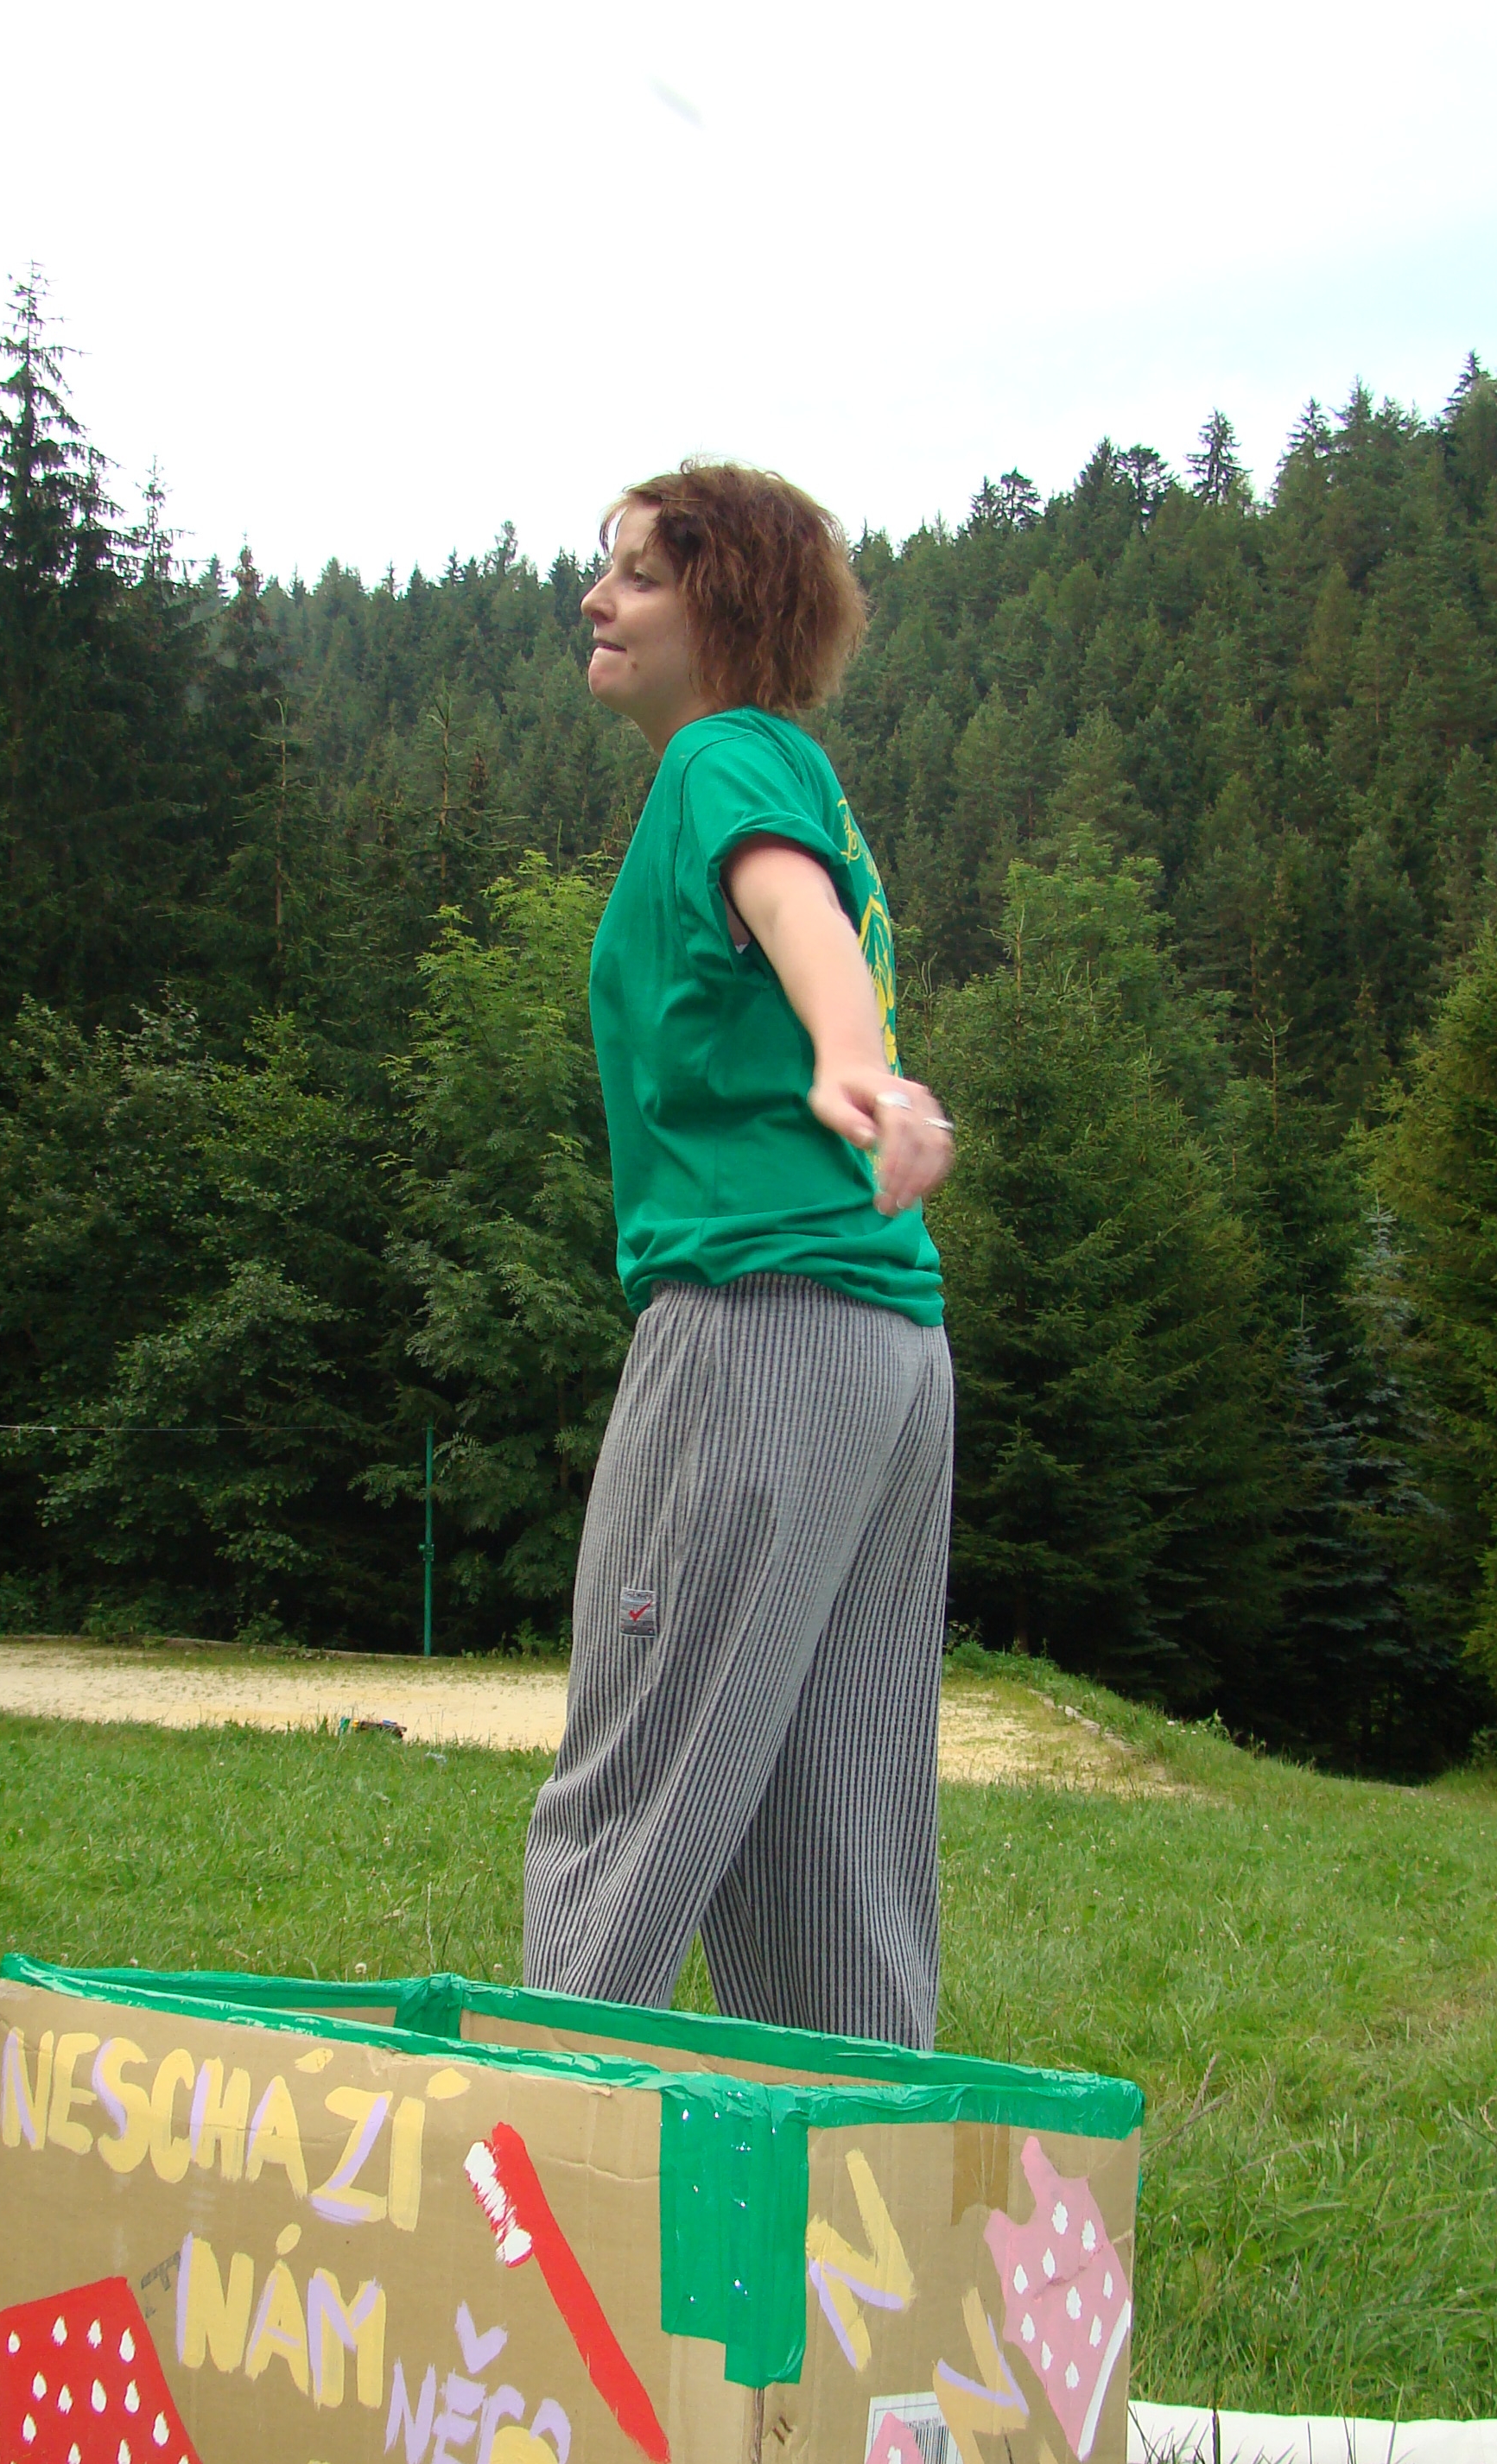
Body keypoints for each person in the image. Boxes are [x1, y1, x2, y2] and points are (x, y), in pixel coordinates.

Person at [522, 461, 956, 2050]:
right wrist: (862, 1073)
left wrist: (854, 1060)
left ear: (729, 612)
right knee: (832, 1809)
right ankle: (861, 2169)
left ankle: (542, 2157)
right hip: (886, 1347)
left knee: (638, 1773)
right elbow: (803, 912)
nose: (598, 598)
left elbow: (796, 920)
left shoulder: (722, 759)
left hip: (759, 1327)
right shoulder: (792, 770)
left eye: (641, 575)